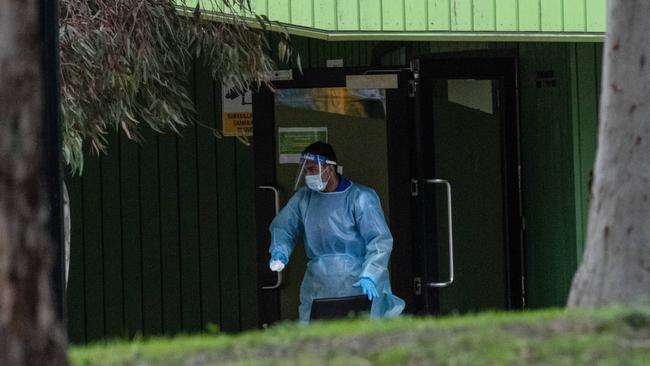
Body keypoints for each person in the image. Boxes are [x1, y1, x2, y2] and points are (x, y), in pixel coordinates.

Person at [268, 141, 405, 323]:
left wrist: (371, 274)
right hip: (319, 283)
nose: (308, 175)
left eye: (312, 169)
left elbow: (379, 240)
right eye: (306, 170)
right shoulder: (304, 198)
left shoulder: (360, 197)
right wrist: (280, 251)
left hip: (359, 283)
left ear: (330, 169)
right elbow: (284, 226)